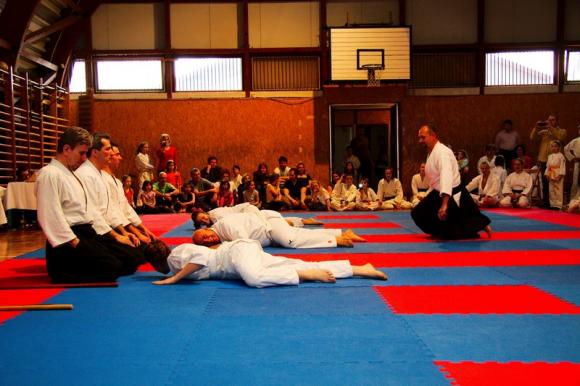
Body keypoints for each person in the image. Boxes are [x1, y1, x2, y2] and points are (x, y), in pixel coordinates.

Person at [36, 127, 140, 283]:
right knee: (111, 267)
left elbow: (89, 211)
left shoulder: (70, 174)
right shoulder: (49, 173)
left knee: (131, 258)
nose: (84, 158)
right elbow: (50, 215)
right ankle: (62, 271)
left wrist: (112, 237)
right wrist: (75, 242)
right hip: (67, 241)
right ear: (66, 149)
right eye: (81, 153)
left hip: (87, 232)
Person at [145, 239, 387, 288]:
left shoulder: (174, 257)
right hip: (238, 258)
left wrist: (173, 279)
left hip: (235, 257)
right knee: (301, 262)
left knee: (255, 279)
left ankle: (306, 276)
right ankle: (358, 269)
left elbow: (201, 258)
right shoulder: (177, 254)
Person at [411, 124, 491, 239]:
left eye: (423, 137)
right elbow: (436, 178)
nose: (420, 141)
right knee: (418, 213)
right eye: (419, 138)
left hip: (451, 192)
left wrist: (444, 204)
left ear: (433, 136)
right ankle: (441, 230)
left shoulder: (442, 153)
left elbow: (446, 177)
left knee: (456, 225)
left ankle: (481, 225)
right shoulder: (433, 151)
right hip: (439, 191)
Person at [192, 210, 363, 249]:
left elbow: (247, 245)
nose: (208, 240)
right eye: (204, 243)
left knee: (291, 241)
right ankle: (340, 233)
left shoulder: (225, 226)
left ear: (207, 230)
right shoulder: (220, 234)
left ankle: (335, 240)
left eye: (204, 237)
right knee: (297, 234)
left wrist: (220, 248)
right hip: (269, 228)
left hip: (269, 224)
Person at [103, 144, 157, 244]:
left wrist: (143, 228)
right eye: (117, 154)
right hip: (111, 227)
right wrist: (133, 232)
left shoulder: (117, 182)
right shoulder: (102, 180)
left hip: (121, 224)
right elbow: (112, 212)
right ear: (108, 158)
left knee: (152, 244)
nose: (121, 157)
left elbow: (126, 208)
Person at [191, 202, 323, 230]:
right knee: (274, 220)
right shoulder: (213, 220)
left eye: (202, 216)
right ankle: (304, 221)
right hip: (247, 212)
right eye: (202, 221)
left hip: (247, 211)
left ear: (203, 212)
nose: (204, 220)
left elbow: (227, 222)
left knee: (268, 226)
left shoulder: (215, 214)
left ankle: (299, 225)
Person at [530, 114, 567, 207]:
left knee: (556, 184)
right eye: (549, 120)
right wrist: (536, 127)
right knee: (545, 182)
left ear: (557, 121)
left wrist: (550, 128)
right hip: (544, 159)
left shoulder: (562, 131)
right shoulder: (544, 132)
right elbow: (532, 138)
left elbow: (561, 138)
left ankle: (557, 204)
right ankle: (546, 203)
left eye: (552, 120)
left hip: (556, 162)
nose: (550, 122)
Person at [544, 140, 566, 209]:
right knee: (551, 190)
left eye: (555, 146)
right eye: (552, 146)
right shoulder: (549, 156)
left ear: (559, 147)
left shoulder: (561, 156)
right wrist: (547, 174)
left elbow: (562, 166)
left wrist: (560, 175)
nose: (553, 148)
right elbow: (548, 166)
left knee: (558, 189)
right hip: (551, 173)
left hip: (558, 173)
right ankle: (552, 204)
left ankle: (558, 205)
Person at [135, 141, 155, 206]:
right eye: (145, 147)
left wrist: (151, 172)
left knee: (148, 188)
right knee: (142, 188)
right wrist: (152, 167)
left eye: (147, 147)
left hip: (148, 173)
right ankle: (139, 204)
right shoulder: (139, 156)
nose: (146, 149)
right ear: (141, 148)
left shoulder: (147, 156)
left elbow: (149, 165)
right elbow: (145, 165)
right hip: (143, 174)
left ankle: (148, 203)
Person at [563, 124, 580, 201]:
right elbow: (566, 149)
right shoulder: (576, 140)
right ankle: (574, 200)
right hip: (578, 163)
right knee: (576, 182)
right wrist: (573, 158)